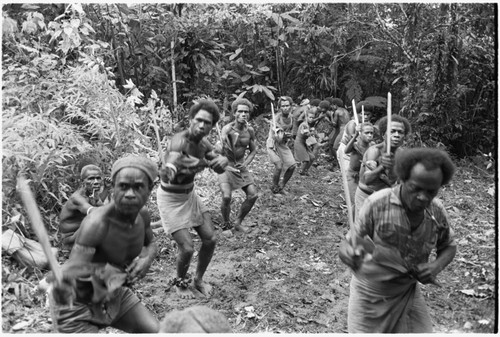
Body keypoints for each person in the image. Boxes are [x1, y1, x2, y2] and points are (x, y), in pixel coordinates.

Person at [339, 147, 457, 333]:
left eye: (431, 191)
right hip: (370, 293)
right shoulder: (377, 203)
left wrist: (435, 266)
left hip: (407, 291)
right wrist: (348, 252)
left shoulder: (436, 211)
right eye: (415, 188)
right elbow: (350, 241)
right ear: (402, 179)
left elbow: (449, 245)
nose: (423, 197)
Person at [48, 155, 160, 333]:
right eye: (123, 186)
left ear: (150, 189)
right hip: (76, 304)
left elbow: (151, 244)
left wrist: (146, 259)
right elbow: (75, 271)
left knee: (156, 332)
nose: (130, 194)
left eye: (138, 187)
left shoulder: (143, 215)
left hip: (115, 295)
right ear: (113, 187)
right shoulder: (96, 223)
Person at [157, 99, 229, 299]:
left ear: (211, 127)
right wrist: (168, 170)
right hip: (170, 199)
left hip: (189, 195)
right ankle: (180, 283)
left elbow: (216, 162)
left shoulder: (203, 143)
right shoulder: (179, 141)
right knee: (187, 248)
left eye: (207, 123)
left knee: (210, 239)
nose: (201, 125)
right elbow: (173, 161)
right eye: (198, 120)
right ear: (190, 120)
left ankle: (198, 279)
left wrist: (222, 160)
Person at [354, 114, 411, 217]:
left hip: (386, 197)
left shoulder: (402, 154)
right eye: (392, 131)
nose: (397, 135)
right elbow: (368, 180)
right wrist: (382, 167)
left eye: (400, 132)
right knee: (364, 230)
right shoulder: (374, 151)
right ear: (383, 134)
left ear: (404, 136)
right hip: (366, 197)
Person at [218, 98, 258, 233]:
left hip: (240, 166)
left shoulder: (250, 131)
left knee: (252, 195)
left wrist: (245, 163)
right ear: (234, 113)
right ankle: (225, 224)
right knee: (226, 196)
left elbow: (253, 151)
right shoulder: (227, 129)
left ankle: (238, 222)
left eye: (246, 112)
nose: (243, 114)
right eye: (240, 111)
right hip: (226, 165)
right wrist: (221, 143)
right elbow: (221, 142)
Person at [59, 164, 112, 248]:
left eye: (98, 178)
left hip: (80, 233)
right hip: (70, 239)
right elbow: (93, 211)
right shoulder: (77, 198)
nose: (96, 182)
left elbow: (97, 203)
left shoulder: (90, 193)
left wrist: (106, 188)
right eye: (91, 178)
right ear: (82, 181)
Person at [267, 96, 296, 194]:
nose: (285, 108)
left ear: (291, 106)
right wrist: (282, 134)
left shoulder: (292, 118)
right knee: (278, 166)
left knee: (292, 166)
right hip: (273, 144)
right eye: (283, 106)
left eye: (287, 105)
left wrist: (290, 135)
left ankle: (281, 185)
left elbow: (292, 132)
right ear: (279, 107)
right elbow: (277, 136)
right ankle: (274, 187)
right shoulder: (276, 119)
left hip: (283, 145)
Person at [343, 122, 375, 214]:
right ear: (361, 133)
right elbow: (346, 151)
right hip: (352, 176)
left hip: (365, 178)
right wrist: (355, 135)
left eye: (371, 133)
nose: (369, 135)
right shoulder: (355, 145)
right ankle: (353, 225)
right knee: (354, 201)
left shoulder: (372, 145)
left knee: (364, 202)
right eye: (367, 133)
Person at [337, 102, 374, 172]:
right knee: (349, 176)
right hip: (347, 154)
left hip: (358, 153)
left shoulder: (367, 125)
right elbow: (354, 144)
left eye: (368, 114)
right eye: (362, 114)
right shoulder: (352, 124)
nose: (365, 117)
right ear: (356, 114)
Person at [294, 108, 318, 176]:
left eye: (313, 118)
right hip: (299, 143)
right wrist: (312, 132)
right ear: (306, 117)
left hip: (303, 142)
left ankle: (305, 170)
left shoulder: (307, 125)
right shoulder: (304, 125)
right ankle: (302, 171)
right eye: (310, 117)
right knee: (306, 159)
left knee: (312, 157)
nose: (311, 119)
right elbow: (306, 134)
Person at [328, 98, 350, 170]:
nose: (332, 107)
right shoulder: (345, 110)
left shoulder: (337, 111)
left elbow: (334, 124)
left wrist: (331, 116)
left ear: (335, 105)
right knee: (331, 144)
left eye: (332, 105)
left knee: (335, 147)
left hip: (342, 130)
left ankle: (339, 163)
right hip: (346, 129)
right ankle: (336, 162)